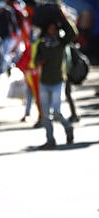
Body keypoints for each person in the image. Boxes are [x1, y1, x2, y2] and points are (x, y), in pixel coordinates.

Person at [34, 8, 77, 150]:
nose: (52, 31)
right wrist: (40, 62)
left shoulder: (61, 43)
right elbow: (35, 61)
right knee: (45, 115)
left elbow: (73, 33)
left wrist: (63, 18)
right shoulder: (41, 43)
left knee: (57, 112)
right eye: (50, 28)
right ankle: (50, 140)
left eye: (54, 28)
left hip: (58, 81)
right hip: (44, 82)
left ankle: (68, 127)